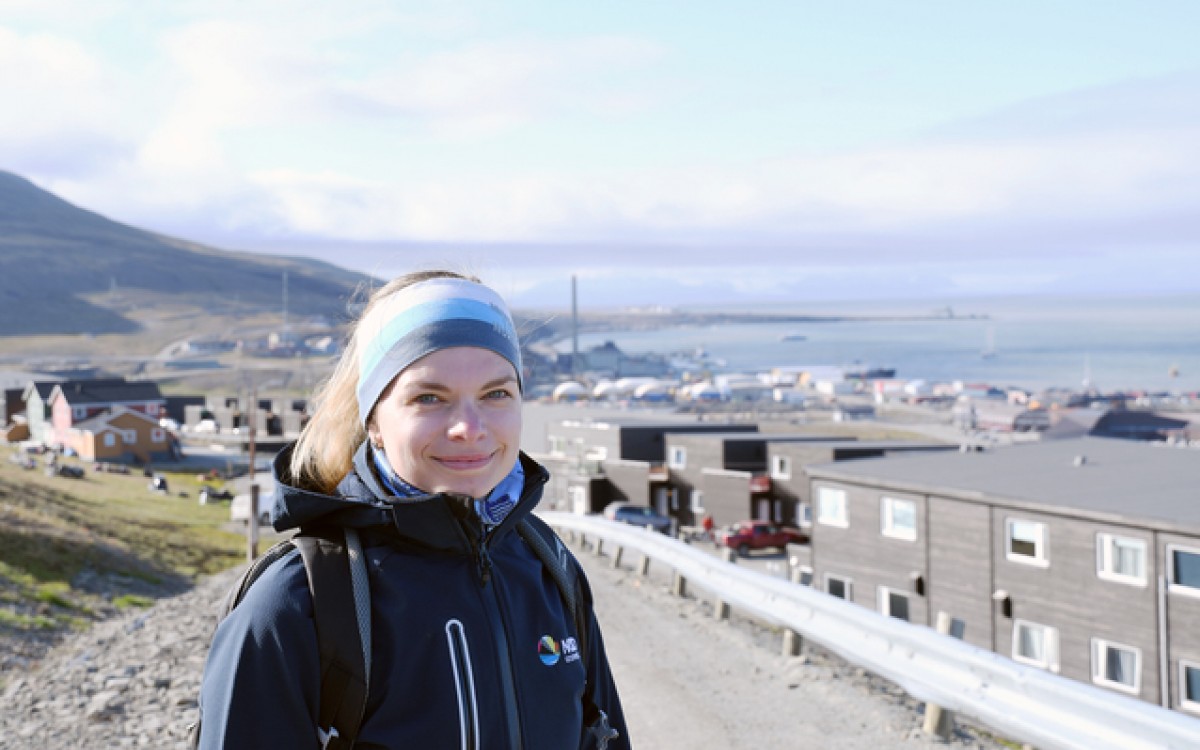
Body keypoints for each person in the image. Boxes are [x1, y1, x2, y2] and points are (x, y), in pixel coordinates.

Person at [196, 270, 629, 749]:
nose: (469, 426)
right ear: (374, 420)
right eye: (429, 397)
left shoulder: (549, 565)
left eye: (496, 393)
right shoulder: (300, 602)